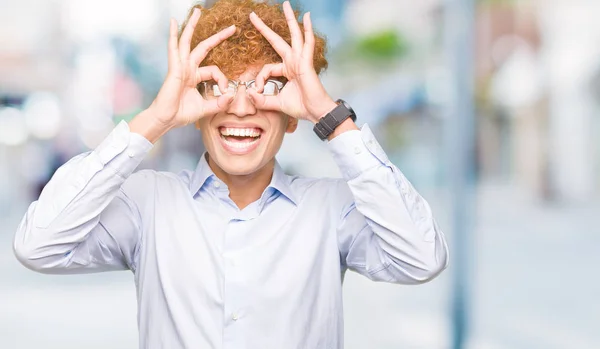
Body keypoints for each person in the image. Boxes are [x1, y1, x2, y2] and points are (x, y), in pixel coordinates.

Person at [13, 0, 449, 348]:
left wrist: (331, 116)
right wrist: (154, 120)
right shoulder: (148, 203)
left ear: (294, 116)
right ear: (194, 111)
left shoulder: (331, 208)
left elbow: (422, 258)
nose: (241, 107)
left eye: (268, 88)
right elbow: (38, 245)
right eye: (218, 88)